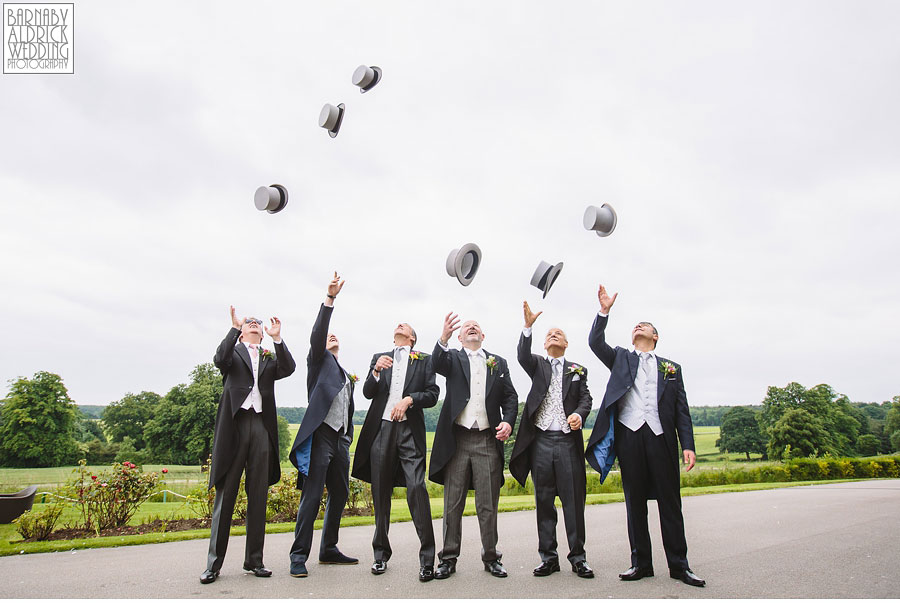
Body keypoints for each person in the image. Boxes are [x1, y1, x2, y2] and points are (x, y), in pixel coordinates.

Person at [585, 284, 705, 587]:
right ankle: (640, 563)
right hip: (630, 436)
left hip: (661, 437)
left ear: (655, 337)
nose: (639, 326)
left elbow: (682, 411)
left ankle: (679, 565)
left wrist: (687, 445)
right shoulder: (622, 358)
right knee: (634, 502)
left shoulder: (671, 368)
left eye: (645, 325)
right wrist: (604, 311)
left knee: (670, 502)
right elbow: (595, 342)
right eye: (636, 325)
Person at [201, 308, 296, 584]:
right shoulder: (234, 353)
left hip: (261, 427)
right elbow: (219, 359)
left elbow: (288, 368)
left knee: (258, 496)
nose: (255, 325)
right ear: (243, 332)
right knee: (226, 495)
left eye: (258, 323)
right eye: (249, 323)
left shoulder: (268, 358)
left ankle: (254, 561)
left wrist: (277, 340)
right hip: (235, 426)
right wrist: (233, 328)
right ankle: (213, 565)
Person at [428, 312, 518, 579]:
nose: (472, 328)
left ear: (483, 336)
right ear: (459, 336)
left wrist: (509, 422)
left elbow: (510, 396)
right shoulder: (453, 358)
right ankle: (448, 558)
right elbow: (436, 363)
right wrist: (442, 337)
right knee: (452, 503)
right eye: (467, 327)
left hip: (488, 440)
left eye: (476, 326)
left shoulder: (498, 362)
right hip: (457, 440)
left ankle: (491, 556)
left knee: (487, 503)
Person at [508, 301, 594, 579]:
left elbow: (586, 398)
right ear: (544, 345)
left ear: (567, 344)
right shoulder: (538, 365)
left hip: (568, 442)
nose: (553, 335)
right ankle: (548, 558)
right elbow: (522, 355)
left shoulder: (578, 369)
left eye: (558, 334)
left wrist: (580, 415)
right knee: (544, 502)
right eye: (549, 334)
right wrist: (528, 327)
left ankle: (578, 558)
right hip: (541, 442)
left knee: (573, 502)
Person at [351, 323, 440, 581]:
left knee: (416, 487)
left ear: (411, 337)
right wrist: (376, 371)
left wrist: (409, 399)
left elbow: (433, 394)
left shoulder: (424, 360)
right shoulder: (379, 358)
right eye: (397, 325)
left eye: (406, 326)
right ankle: (380, 555)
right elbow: (369, 392)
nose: (399, 325)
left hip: (409, 431)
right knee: (380, 492)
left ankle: (427, 560)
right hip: (382, 430)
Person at [287, 272, 358, 578]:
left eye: (334, 337)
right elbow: (319, 333)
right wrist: (330, 300)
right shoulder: (319, 362)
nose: (331, 338)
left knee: (340, 492)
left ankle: (328, 548)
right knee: (313, 495)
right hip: (320, 436)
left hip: (340, 439)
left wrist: (348, 435)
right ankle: (298, 556)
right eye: (328, 337)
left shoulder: (343, 372)